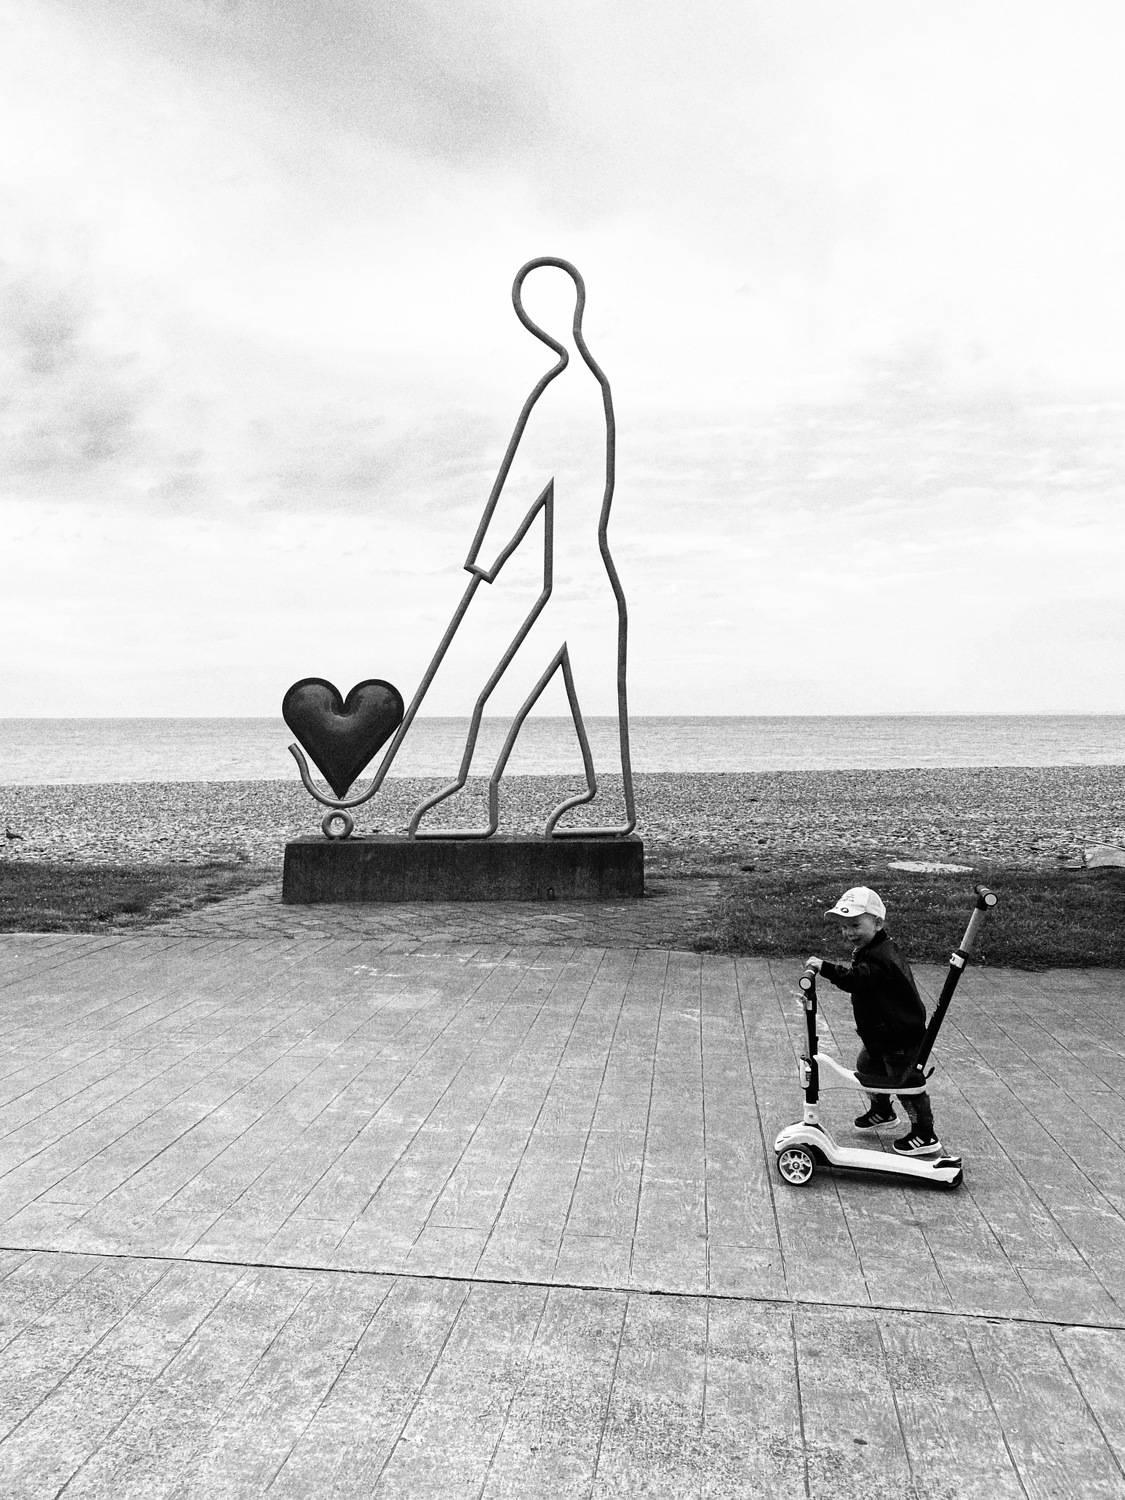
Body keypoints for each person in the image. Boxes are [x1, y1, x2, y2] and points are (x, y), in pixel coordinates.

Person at [805, 886, 943, 1157]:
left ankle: (924, 1133)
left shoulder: (882, 958)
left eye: (855, 925)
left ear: (878, 923)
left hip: (899, 1036)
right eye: (844, 927)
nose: (848, 932)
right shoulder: (871, 949)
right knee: (867, 1066)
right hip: (881, 1034)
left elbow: (857, 980)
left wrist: (826, 968)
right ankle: (882, 1111)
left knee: (906, 1084)